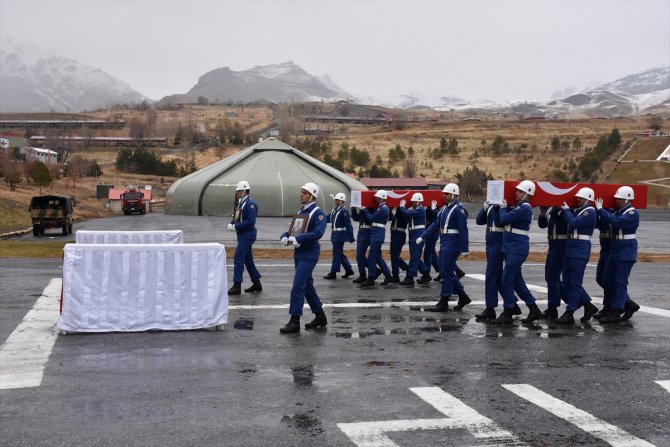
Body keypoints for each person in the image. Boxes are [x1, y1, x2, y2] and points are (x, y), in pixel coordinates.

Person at [279, 182, 328, 333]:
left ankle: (295, 320)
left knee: (298, 285)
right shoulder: (302, 211)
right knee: (306, 286)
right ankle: (320, 316)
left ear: (313, 195)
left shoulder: (318, 213)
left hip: (309, 253)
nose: (301, 194)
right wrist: (285, 236)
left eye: (305, 193)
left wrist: (298, 239)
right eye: (301, 192)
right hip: (299, 253)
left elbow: (318, 233)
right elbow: (294, 230)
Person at [493, 180, 542, 325]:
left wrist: (502, 208)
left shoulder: (525, 208)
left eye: (520, 191)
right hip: (511, 247)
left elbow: (503, 219)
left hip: (517, 248)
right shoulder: (518, 207)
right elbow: (500, 221)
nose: (516, 193)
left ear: (528, 193)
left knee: (506, 279)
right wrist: (498, 208)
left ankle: (508, 310)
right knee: (517, 281)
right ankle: (534, 309)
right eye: (516, 190)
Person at [416, 183, 471, 312]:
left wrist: (465, 248)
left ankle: (444, 301)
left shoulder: (459, 209)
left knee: (446, 272)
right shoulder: (444, 210)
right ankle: (463, 296)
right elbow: (435, 225)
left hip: (453, 243)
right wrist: (423, 236)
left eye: (447, 194)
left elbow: (463, 230)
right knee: (446, 271)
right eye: (444, 194)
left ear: (454, 194)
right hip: (445, 242)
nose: (444, 196)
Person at [594, 186, 641, 323]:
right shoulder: (617, 211)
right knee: (607, 280)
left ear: (627, 199)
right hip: (615, 248)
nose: (617, 201)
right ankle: (610, 306)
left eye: (620, 199)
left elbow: (616, 222)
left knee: (620, 282)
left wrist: (601, 209)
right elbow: (605, 222)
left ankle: (617, 310)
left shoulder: (632, 213)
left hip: (626, 250)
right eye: (616, 198)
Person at [555, 187, 599, 324]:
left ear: (588, 199)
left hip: (580, 248)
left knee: (575, 282)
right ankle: (588, 306)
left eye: (580, 197)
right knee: (567, 280)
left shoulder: (589, 212)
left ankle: (570, 312)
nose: (577, 199)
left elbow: (574, 223)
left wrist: (566, 210)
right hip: (571, 247)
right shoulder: (579, 211)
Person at [227, 180, 262, 295]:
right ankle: (257, 283)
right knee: (248, 260)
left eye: (238, 191)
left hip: (247, 235)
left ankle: (237, 285)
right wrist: (233, 223)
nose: (237, 193)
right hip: (243, 235)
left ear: (244, 191)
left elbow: (251, 221)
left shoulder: (250, 204)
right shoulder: (242, 203)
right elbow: (238, 218)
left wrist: (236, 226)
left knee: (238, 257)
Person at [474, 200, 504, 321]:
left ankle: (490, 308)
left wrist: (501, 208)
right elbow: (479, 221)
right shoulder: (492, 207)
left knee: (491, 275)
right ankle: (512, 303)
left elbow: (500, 221)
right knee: (497, 276)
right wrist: (485, 208)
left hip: (498, 241)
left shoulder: (501, 207)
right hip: (490, 241)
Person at [537, 205, 568, 319]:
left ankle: (553, 307)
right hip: (552, 244)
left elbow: (562, 224)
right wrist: (542, 214)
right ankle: (578, 301)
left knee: (552, 277)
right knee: (549, 277)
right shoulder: (550, 210)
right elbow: (542, 225)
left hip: (562, 244)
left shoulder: (564, 210)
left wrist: (557, 211)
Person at [360, 190, 392, 287]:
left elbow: (371, 218)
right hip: (376, 233)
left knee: (371, 258)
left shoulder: (383, 209)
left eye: (377, 197)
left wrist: (365, 210)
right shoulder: (381, 208)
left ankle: (371, 278)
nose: (376, 199)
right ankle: (387, 274)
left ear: (382, 198)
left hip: (377, 235)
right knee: (377, 257)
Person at [398, 193, 429, 286]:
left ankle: (410, 277)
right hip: (413, 234)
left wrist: (402, 207)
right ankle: (426, 274)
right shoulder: (416, 209)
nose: (412, 202)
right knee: (416, 257)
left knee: (414, 257)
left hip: (418, 235)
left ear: (419, 201)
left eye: (414, 201)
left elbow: (408, 213)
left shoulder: (421, 209)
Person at [323, 193, 355, 280]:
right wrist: (319, 220)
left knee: (336, 254)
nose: (336, 201)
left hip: (340, 235)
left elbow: (348, 225)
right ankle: (349, 270)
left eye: (337, 200)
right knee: (339, 253)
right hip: (334, 234)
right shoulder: (334, 210)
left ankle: (333, 272)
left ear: (341, 201)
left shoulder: (344, 211)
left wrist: (350, 237)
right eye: (335, 200)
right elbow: (328, 218)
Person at [388, 203, 409, 283]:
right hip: (394, 235)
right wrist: (390, 207)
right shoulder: (397, 213)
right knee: (394, 256)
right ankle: (406, 269)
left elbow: (404, 218)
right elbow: (389, 217)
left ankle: (396, 275)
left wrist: (401, 207)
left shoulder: (403, 213)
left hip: (399, 235)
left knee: (395, 256)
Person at [350, 206, 372, 284]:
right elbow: (356, 218)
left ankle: (363, 274)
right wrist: (353, 209)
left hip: (367, 232)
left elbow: (370, 219)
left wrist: (365, 209)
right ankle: (371, 271)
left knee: (359, 255)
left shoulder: (371, 208)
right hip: (362, 232)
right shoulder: (363, 209)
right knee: (360, 256)